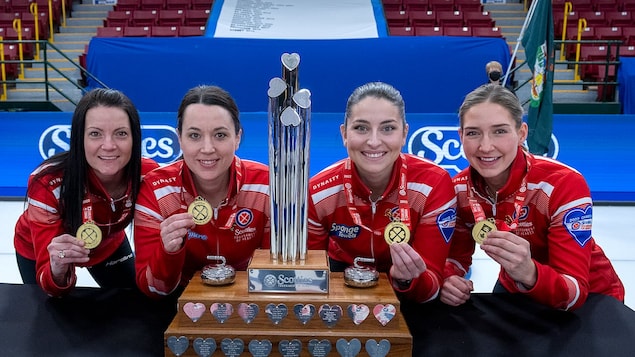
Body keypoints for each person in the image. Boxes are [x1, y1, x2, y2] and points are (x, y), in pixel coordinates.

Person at [440, 83, 625, 310]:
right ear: (460, 136)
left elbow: (575, 293)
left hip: (591, 297)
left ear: (521, 133)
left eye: (500, 131)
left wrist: (529, 272)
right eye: (473, 133)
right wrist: (448, 278)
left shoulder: (561, 183)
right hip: (516, 286)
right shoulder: (459, 189)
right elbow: (456, 258)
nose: (485, 146)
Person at [307, 81, 457, 303]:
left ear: (404, 133)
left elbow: (431, 289)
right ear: (344, 134)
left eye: (388, 128)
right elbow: (311, 280)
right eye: (361, 128)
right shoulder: (320, 192)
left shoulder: (432, 185)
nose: (374, 141)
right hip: (341, 282)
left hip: (408, 293)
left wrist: (407, 281)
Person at [13, 88, 159, 297]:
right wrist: (57, 267)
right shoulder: (48, 182)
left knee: (138, 304)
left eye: (121, 133)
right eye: (95, 133)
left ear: (134, 138)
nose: (108, 145)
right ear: (79, 138)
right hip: (41, 250)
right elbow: (50, 279)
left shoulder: (147, 174)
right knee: (49, 317)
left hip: (108, 245)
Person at [133, 85, 270, 299]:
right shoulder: (157, 190)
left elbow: (277, 275)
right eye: (194, 135)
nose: (207, 148)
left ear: (237, 137)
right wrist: (168, 252)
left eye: (220, 135)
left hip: (251, 300)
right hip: (180, 301)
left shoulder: (267, 186)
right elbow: (153, 289)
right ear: (179, 138)